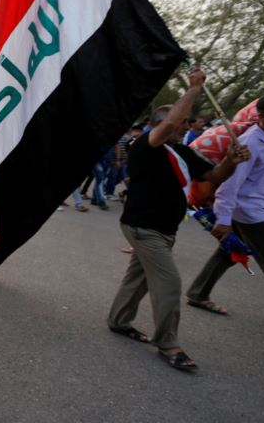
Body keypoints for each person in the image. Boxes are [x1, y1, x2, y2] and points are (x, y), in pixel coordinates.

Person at [106, 69, 248, 371]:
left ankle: (119, 321)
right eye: (182, 121)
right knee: (169, 282)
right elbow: (171, 120)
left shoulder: (183, 151)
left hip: (165, 230)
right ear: (158, 125)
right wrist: (195, 89)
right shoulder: (144, 146)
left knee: (139, 278)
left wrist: (230, 162)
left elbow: (212, 176)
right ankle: (168, 344)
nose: (185, 125)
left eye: (185, 121)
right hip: (143, 229)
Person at [185, 91, 264, 346]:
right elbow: (230, 185)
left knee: (228, 254)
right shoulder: (250, 143)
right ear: (261, 116)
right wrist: (223, 220)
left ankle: (198, 292)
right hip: (249, 213)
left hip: (258, 209)